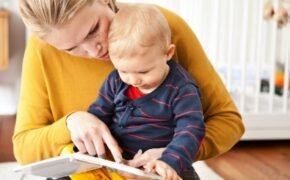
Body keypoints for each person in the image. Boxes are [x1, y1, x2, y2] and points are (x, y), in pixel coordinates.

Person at [14, 0, 244, 176]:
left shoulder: (162, 28)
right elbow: (24, 148)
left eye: (94, 29)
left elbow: (228, 121)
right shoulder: (42, 49)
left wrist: (175, 153)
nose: (93, 51)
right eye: (71, 48)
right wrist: (70, 123)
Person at [85, 4, 205, 179]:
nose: (133, 80)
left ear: (168, 53)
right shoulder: (115, 80)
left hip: (165, 165)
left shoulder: (182, 89)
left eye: (143, 72)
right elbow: (98, 114)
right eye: (124, 71)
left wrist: (169, 161)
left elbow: (191, 129)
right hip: (122, 164)